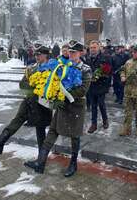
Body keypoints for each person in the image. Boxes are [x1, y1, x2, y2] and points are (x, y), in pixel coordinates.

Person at [24, 41, 92, 177]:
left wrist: (62, 95)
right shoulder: (62, 66)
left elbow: (83, 90)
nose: (71, 54)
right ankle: (41, 161)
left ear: (81, 53)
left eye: (74, 52)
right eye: (70, 52)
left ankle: (73, 164)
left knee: (75, 136)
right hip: (61, 106)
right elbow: (54, 80)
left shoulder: (85, 69)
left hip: (76, 107)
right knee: (53, 131)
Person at [0, 46, 53, 154]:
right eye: (36, 54)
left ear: (46, 55)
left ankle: (41, 159)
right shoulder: (31, 68)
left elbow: (51, 86)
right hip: (29, 101)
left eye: (40, 54)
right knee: (17, 120)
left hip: (42, 103)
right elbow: (22, 84)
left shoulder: (52, 68)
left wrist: (36, 86)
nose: (37, 57)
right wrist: (35, 86)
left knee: (40, 129)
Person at [86, 40, 112, 133]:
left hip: (101, 86)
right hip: (91, 86)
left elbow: (109, 72)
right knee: (93, 106)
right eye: (91, 47)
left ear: (99, 47)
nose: (92, 49)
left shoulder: (105, 57)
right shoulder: (87, 58)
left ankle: (105, 120)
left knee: (101, 104)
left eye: (94, 47)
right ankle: (94, 124)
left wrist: (100, 76)